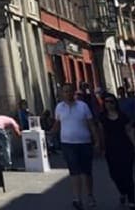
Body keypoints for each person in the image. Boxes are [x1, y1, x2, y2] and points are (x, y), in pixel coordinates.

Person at [51, 81, 102, 210]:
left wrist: (97, 141)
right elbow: (57, 124)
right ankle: (77, 198)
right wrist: (49, 134)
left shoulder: (83, 106)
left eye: (70, 91)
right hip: (68, 144)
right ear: (62, 93)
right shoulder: (59, 107)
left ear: (74, 92)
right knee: (74, 172)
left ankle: (90, 195)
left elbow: (91, 125)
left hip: (84, 142)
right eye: (65, 91)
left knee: (87, 172)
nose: (67, 93)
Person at [99, 92, 135, 210]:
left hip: (126, 148)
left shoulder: (123, 116)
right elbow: (101, 133)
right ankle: (122, 192)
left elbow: (129, 131)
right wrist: (101, 147)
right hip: (111, 149)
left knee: (128, 175)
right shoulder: (102, 118)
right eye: (107, 102)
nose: (109, 104)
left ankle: (132, 201)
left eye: (111, 101)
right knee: (114, 175)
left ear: (115, 103)